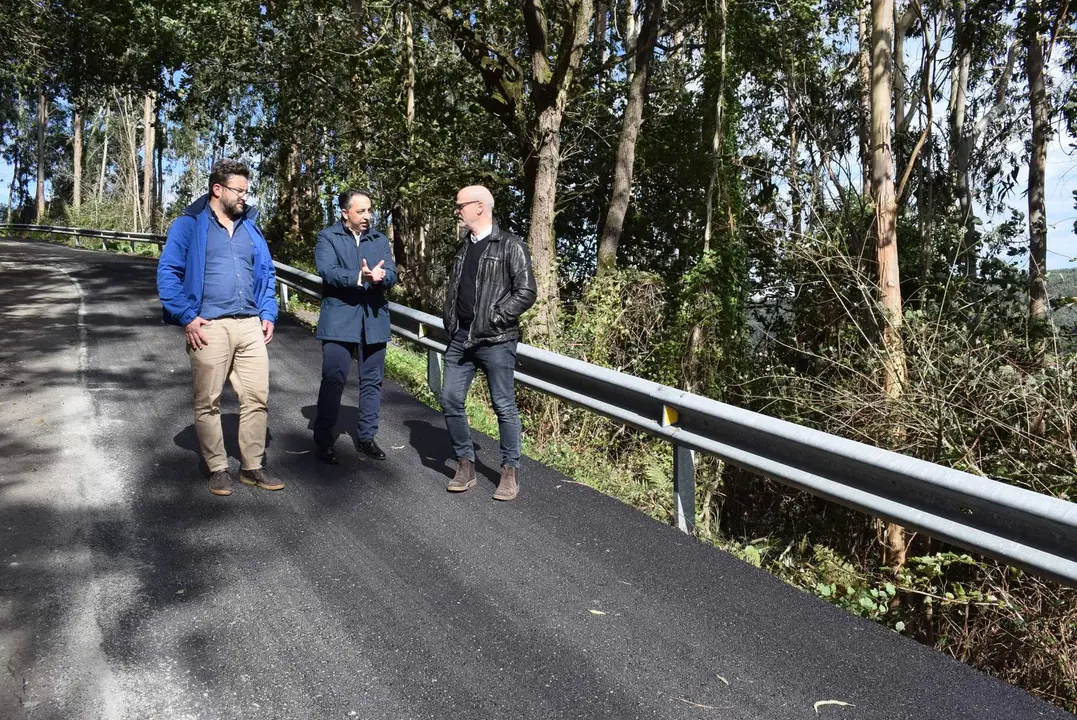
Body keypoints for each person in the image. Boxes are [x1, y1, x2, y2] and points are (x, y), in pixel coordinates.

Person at [157, 159, 284, 497]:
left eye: (246, 190)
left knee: (257, 398)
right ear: (218, 189)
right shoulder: (188, 226)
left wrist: (268, 312)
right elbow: (168, 272)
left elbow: (267, 274)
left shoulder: (251, 228)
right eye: (238, 190)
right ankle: (217, 468)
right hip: (208, 326)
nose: (244, 196)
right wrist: (186, 315)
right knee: (208, 401)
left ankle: (252, 466)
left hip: (249, 325)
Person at [441, 185, 536, 501]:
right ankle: (465, 464)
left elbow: (526, 291)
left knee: (503, 406)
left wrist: (496, 317)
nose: (457, 210)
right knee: (449, 398)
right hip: (460, 337)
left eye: (460, 205)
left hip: (496, 340)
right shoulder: (462, 247)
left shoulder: (511, 245)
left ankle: (510, 471)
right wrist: (452, 322)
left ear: (479, 207)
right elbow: (455, 290)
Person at [312, 190, 398, 464]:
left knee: (372, 381)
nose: (367, 216)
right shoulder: (328, 237)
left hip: (373, 321)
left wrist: (382, 277)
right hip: (338, 320)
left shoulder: (379, 239)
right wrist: (358, 276)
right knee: (334, 379)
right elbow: (328, 271)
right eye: (360, 211)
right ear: (345, 213)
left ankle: (366, 438)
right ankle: (324, 440)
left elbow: (393, 273)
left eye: (369, 210)